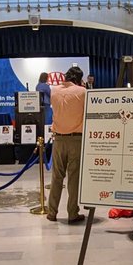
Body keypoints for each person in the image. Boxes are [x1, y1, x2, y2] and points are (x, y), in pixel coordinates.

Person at [47, 64, 87, 224]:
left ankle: (52, 212)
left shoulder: (54, 90)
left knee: (57, 176)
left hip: (58, 139)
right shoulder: (82, 92)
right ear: (78, 79)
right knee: (74, 177)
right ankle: (72, 213)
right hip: (76, 139)